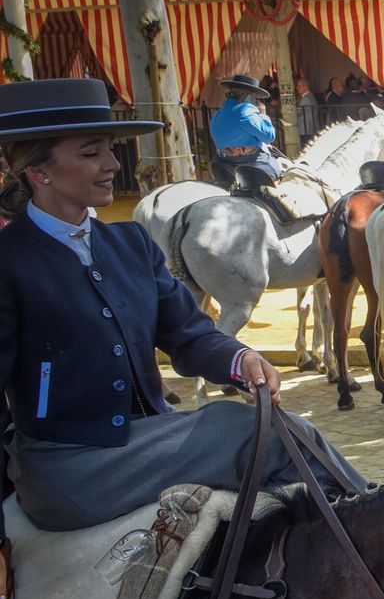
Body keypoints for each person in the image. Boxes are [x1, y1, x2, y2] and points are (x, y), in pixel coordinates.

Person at [0, 78, 363, 540]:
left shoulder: (128, 242)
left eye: (111, 149)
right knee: (256, 434)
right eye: (92, 153)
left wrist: (239, 358)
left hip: (151, 437)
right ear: (38, 172)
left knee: (292, 432)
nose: (113, 164)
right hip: (68, 465)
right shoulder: (8, 261)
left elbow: (187, 333)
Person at [209, 73, 280, 183]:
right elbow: (269, 136)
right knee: (279, 168)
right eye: (255, 97)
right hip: (250, 162)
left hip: (221, 162)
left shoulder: (217, 114)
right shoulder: (245, 111)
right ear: (248, 96)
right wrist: (263, 116)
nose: (256, 101)